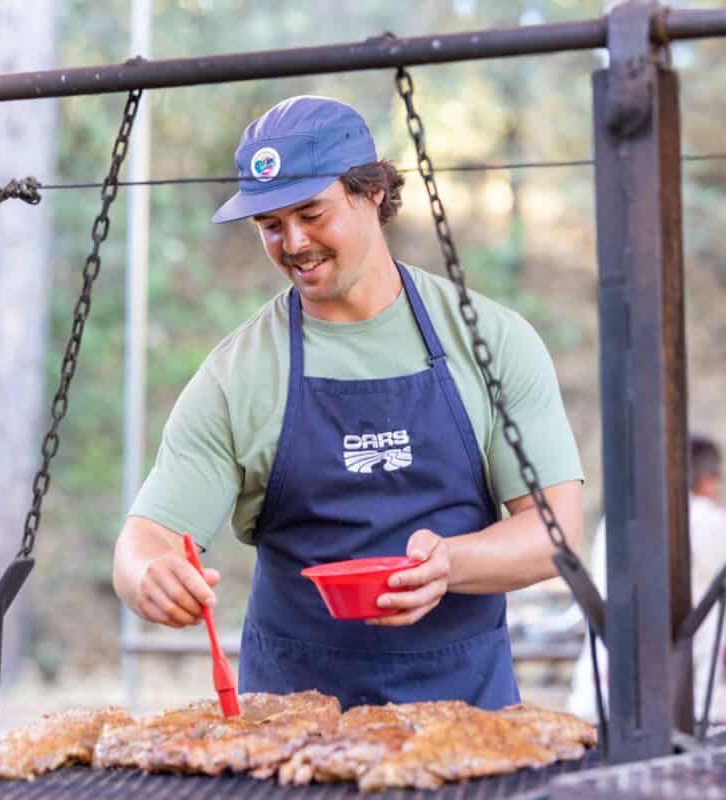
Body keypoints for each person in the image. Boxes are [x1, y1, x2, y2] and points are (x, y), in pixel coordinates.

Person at [113, 95, 583, 710]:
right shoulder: (239, 374)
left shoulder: (490, 341)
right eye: (270, 226)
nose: (294, 242)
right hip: (291, 730)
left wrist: (450, 564)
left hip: (468, 723)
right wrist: (149, 577)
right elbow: (145, 538)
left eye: (311, 213)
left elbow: (556, 533)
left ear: (373, 194)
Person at [567, 434, 726, 724]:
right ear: (708, 480)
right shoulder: (708, 520)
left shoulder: (618, 517)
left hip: (598, 698)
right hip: (682, 709)